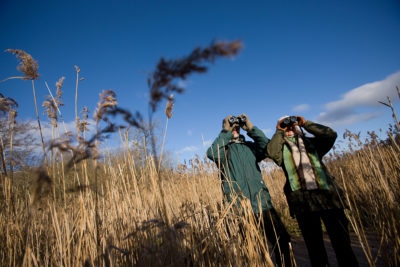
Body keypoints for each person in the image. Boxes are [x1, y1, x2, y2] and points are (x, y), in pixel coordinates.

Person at [266, 115, 358, 267]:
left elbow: (330, 134)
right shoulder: (282, 151)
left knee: (343, 245)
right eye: (286, 127)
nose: (289, 129)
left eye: (292, 126)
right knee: (315, 249)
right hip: (303, 202)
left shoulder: (313, 144)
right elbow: (271, 151)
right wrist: (279, 130)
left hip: (328, 198)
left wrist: (305, 123)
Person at [207, 114, 293, 267]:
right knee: (249, 248)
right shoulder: (224, 151)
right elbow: (211, 153)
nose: (235, 129)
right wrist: (225, 132)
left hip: (262, 202)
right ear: (226, 128)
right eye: (231, 126)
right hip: (239, 207)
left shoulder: (250, 147)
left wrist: (251, 128)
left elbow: (267, 147)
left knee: (282, 241)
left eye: (237, 127)